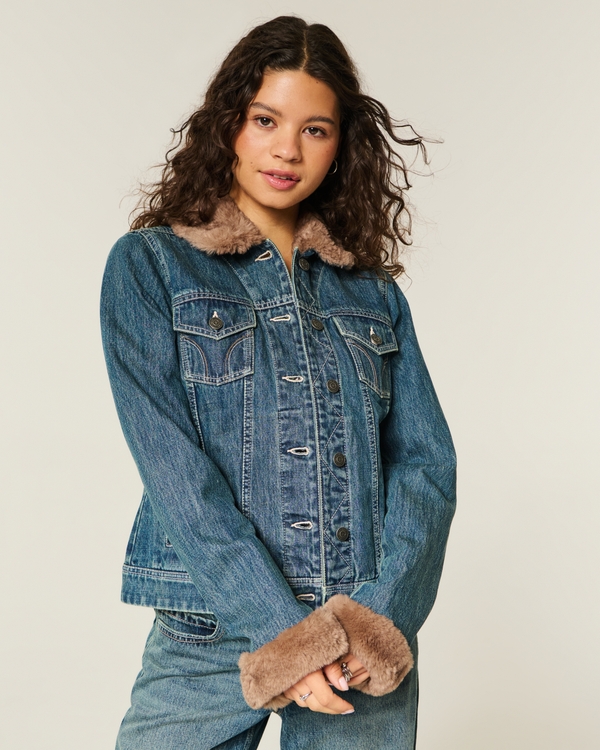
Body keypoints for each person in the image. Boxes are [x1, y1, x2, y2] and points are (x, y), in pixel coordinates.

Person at [100, 15, 456, 750]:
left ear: (341, 144)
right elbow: (175, 473)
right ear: (228, 122)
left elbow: (426, 469)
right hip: (211, 630)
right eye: (266, 119)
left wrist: (380, 620)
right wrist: (283, 636)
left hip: (357, 639)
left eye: (315, 129)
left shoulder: (372, 294)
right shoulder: (151, 267)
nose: (287, 149)